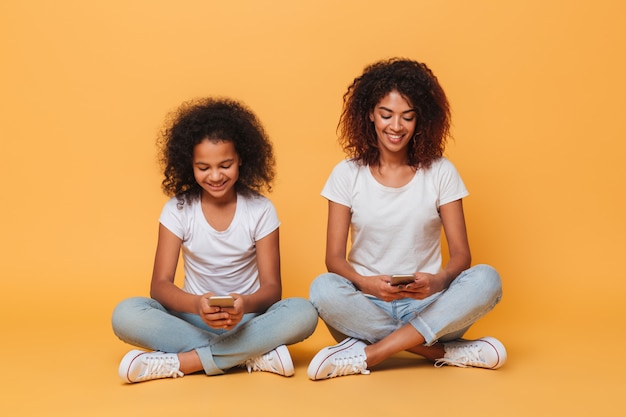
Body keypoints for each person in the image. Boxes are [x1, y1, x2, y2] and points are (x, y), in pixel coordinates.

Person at [307, 58, 506, 380]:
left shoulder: (441, 171)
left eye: (407, 117)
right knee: (322, 288)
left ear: (420, 120)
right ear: (370, 114)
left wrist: (437, 282)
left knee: (487, 278)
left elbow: (461, 255)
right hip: (366, 305)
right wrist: (367, 283)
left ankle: (369, 352)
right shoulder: (347, 174)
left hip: (429, 304)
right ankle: (440, 352)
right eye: (386, 115)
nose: (395, 127)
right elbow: (333, 259)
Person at [112, 97, 318, 383]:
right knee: (126, 313)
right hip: (192, 319)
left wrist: (243, 304)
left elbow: (272, 290)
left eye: (225, 165)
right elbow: (159, 286)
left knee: (304, 312)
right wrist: (197, 305)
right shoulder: (178, 209)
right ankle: (250, 356)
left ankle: (185, 362)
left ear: (242, 159)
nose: (215, 176)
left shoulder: (260, 209)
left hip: (247, 321)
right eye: (204, 167)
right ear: (190, 165)